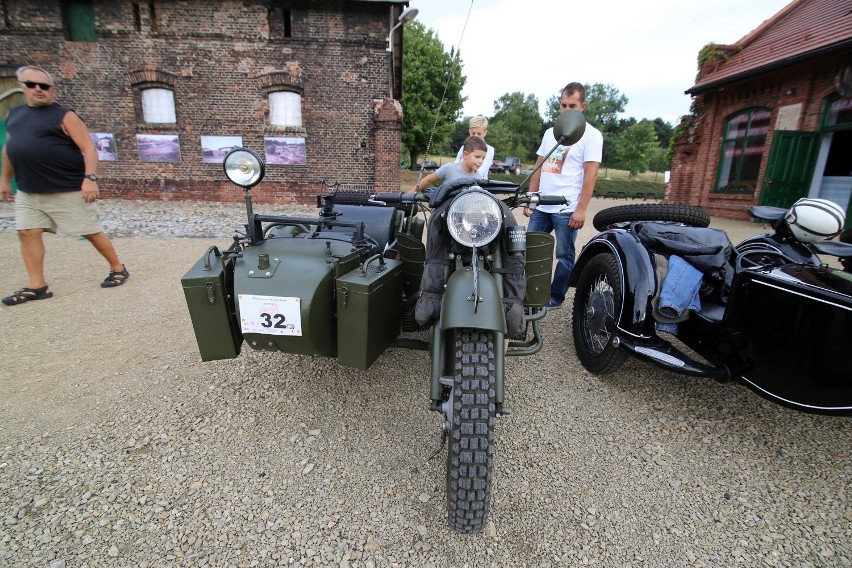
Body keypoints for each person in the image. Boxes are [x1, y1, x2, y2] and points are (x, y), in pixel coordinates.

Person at [0, 65, 129, 306]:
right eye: (31, 85)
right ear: (22, 88)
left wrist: (90, 178)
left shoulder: (64, 115)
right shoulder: (14, 115)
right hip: (29, 189)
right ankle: (37, 286)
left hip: (64, 186)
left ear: (52, 90)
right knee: (27, 233)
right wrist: (4, 179)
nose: (38, 89)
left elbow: (89, 148)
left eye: (44, 86)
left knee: (90, 231)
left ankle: (118, 267)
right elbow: (10, 148)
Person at [523, 82, 602, 309]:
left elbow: (590, 174)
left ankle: (555, 297)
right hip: (542, 205)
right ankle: (528, 293)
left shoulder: (591, 135)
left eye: (572, 105)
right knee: (529, 250)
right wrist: (531, 197)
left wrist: (581, 209)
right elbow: (538, 166)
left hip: (566, 207)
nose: (566, 110)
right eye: (562, 105)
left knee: (564, 255)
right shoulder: (551, 133)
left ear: (582, 106)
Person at [411, 135, 487, 192]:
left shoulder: (479, 178)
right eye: (477, 157)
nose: (481, 161)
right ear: (465, 154)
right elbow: (428, 180)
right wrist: (409, 195)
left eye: (483, 158)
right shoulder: (449, 168)